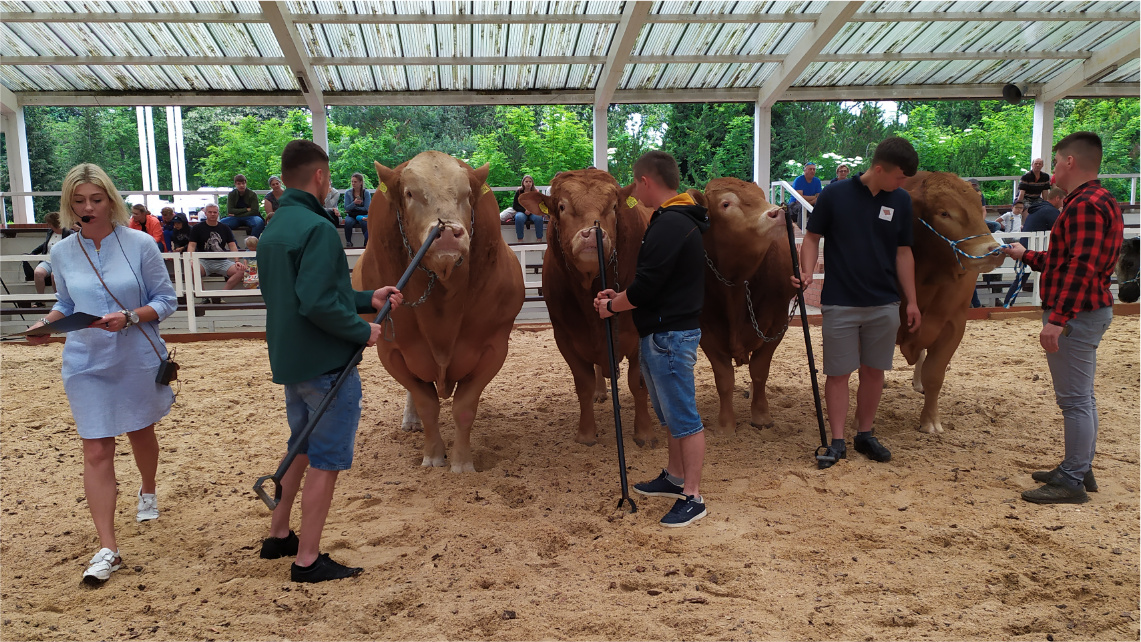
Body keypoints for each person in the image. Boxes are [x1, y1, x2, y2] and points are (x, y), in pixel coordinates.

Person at [257, 139, 403, 582]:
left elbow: (302, 291)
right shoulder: (318, 228)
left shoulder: (276, 226)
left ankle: (279, 534)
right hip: (326, 365)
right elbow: (318, 303)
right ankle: (307, 560)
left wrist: (365, 298)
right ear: (320, 176)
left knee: (300, 447)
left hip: (292, 360)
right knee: (326, 459)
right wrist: (364, 329)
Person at [25, 163, 177, 585]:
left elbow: (167, 300)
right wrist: (46, 325)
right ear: (68, 205)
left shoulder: (141, 243)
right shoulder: (61, 251)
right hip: (85, 362)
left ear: (111, 200)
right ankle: (108, 547)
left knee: (140, 431)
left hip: (135, 358)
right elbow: (66, 304)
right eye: (79, 201)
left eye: (95, 199)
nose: (87, 207)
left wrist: (130, 317)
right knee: (95, 450)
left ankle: (147, 487)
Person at [1000, 132, 1123, 505]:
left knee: (1075, 401)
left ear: (1070, 162)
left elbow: (1081, 267)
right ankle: (1078, 466)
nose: (1052, 168)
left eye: (1055, 161)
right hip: (1088, 310)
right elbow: (1068, 262)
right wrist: (1024, 255)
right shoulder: (1100, 200)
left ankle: (1071, 478)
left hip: (1077, 314)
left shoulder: (1084, 205)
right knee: (1080, 398)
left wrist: (1059, 318)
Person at [594, 151, 710, 527]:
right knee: (671, 415)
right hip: (663, 329)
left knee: (684, 417)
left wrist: (613, 306)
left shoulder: (670, 224)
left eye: (635, 184)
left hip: (669, 333)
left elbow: (646, 286)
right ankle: (675, 477)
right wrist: (619, 298)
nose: (635, 197)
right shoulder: (676, 219)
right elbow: (655, 283)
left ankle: (692, 495)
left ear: (645, 181)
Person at [791, 137, 922, 468]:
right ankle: (837, 440)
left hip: (884, 302)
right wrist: (806, 272)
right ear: (879, 169)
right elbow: (811, 238)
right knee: (838, 372)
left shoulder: (901, 201)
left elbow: (903, 252)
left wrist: (912, 301)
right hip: (840, 301)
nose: (902, 183)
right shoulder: (835, 194)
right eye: (899, 176)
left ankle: (865, 433)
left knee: (874, 371)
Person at [188, 203, 247, 293]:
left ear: (218, 213)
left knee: (241, 271)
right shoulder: (197, 228)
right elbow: (192, 245)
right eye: (210, 212)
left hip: (222, 261)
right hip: (203, 261)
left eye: (215, 212)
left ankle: (221, 295)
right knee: (191, 267)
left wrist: (237, 261)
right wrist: (191, 259)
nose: (212, 214)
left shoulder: (225, 228)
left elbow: (232, 245)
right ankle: (203, 295)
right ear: (206, 213)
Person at [31, 211, 71, 294]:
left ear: (54, 223)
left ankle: (60, 299)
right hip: (48, 260)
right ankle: (40, 300)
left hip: (61, 262)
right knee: (38, 273)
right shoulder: (50, 232)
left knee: (54, 275)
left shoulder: (69, 233)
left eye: (49, 223)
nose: (48, 225)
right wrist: (33, 253)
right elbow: (45, 244)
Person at [342, 172, 371, 248]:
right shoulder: (348, 193)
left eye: (355, 182)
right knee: (348, 222)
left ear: (360, 182)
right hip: (351, 215)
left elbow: (366, 208)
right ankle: (348, 242)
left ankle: (366, 243)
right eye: (352, 181)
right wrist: (354, 203)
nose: (353, 183)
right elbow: (346, 207)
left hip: (362, 214)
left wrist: (354, 208)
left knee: (365, 223)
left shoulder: (366, 193)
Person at [512, 175, 545, 242]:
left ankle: (539, 239)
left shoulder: (535, 192)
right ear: (523, 182)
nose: (528, 183)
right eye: (526, 181)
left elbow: (539, 204)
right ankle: (520, 239)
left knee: (538, 218)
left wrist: (531, 210)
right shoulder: (519, 192)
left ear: (532, 183)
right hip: (522, 212)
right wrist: (524, 210)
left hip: (533, 212)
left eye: (530, 181)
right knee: (519, 218)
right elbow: (515, 205)